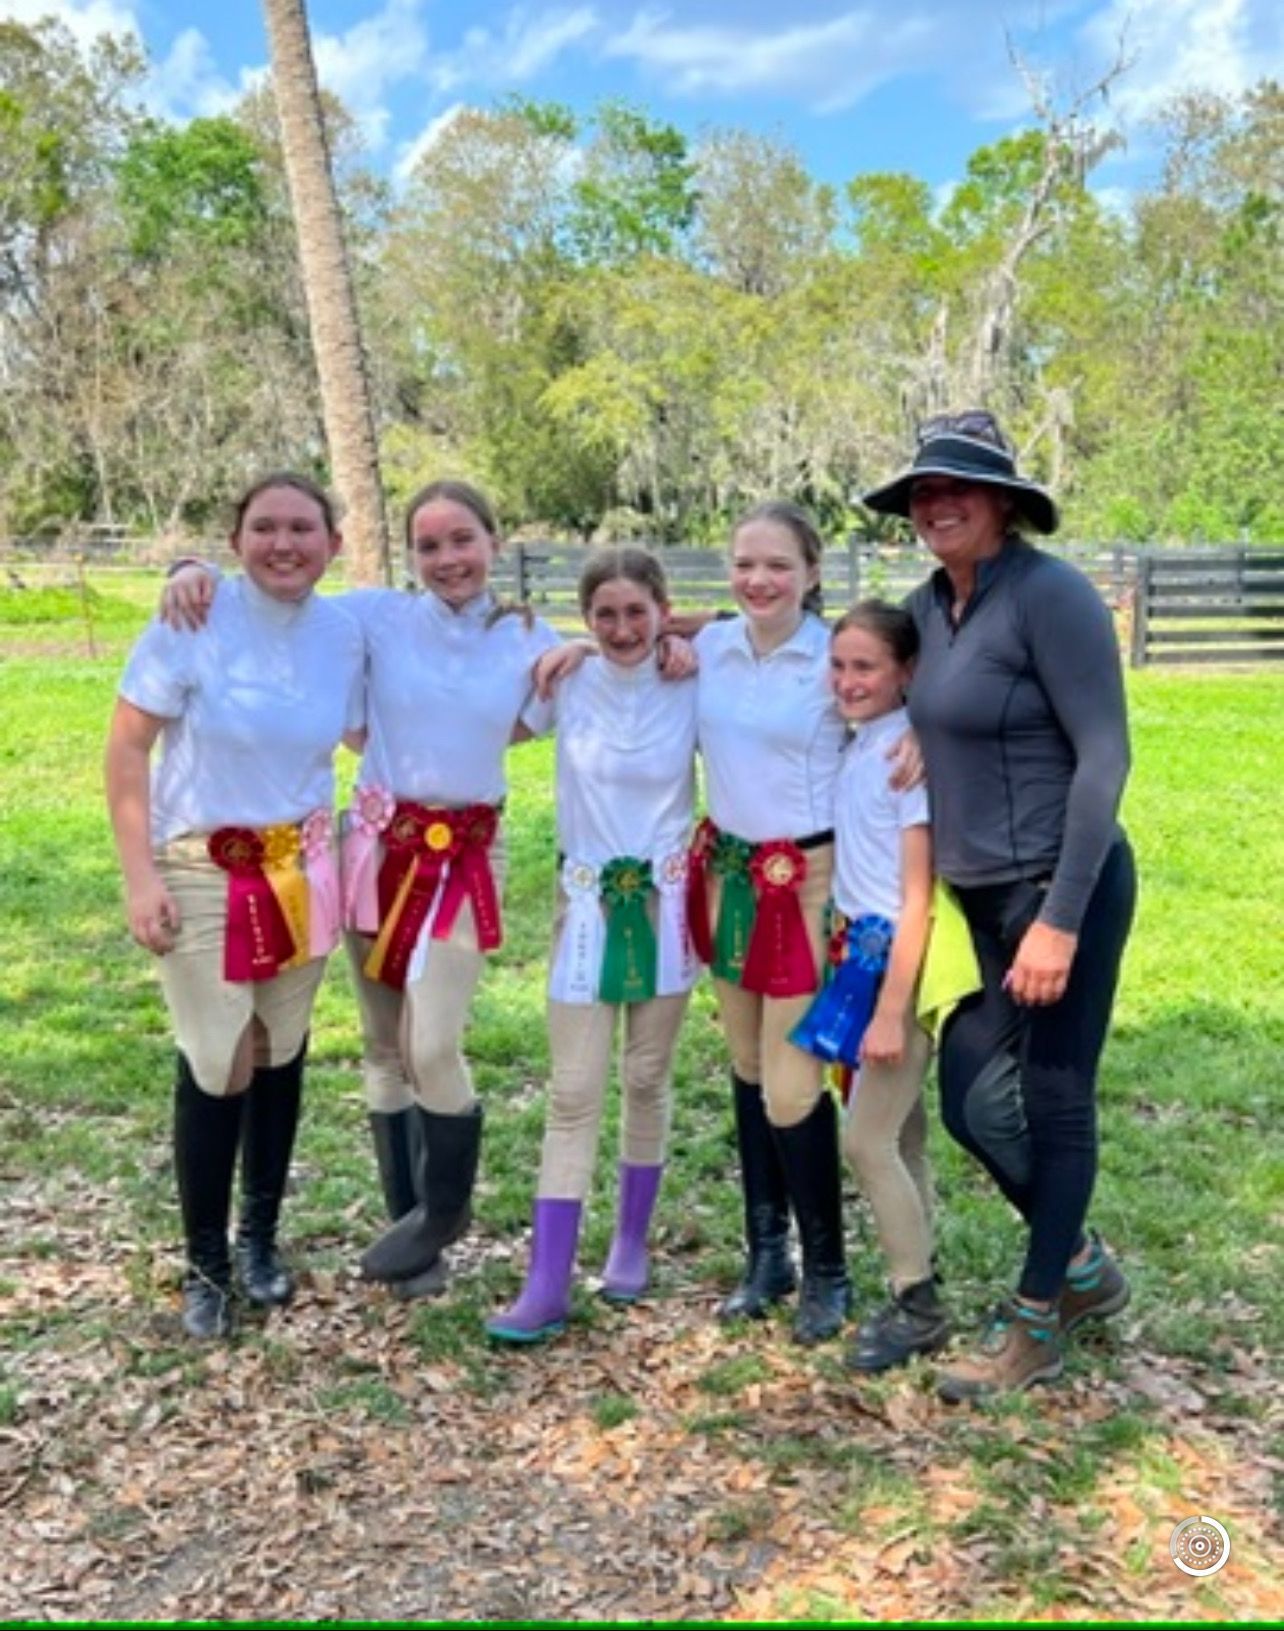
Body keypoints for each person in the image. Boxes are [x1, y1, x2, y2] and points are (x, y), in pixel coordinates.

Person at [161, 480, 560, 1300]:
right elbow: (278, 582)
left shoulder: (530, 637)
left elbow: (552, 702)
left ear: (494, 540)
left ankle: (443, 1213)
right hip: (375, 846)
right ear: (410, 557)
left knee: (433, 1043)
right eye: (429, 545)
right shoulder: (374, 616)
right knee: (383, 1045)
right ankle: (409, 1236)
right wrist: (188, 563)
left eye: (463, 540)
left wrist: (664, 640)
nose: (447, 558)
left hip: (463, 857)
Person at [861, 409, 1135, 1400]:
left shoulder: (1052, 596)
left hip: (1062, 883)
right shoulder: (929, 605)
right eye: (924, 491)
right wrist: (668, 639)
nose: (937, 503)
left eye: (958, 488)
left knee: (1056, 1099)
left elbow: (1105, 754)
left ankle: (1035, 1324)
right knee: (974, 1104)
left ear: (1006, 504)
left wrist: (1060, 916)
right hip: (976, 895)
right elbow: (873, 665)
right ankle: (1081, 1266)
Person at [106, 473, 364, 1340]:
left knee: (277, 1048)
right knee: (218, 1057)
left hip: (301, 869)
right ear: (236, 537)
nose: (283, 543)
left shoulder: (347, 629)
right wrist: (140, 876)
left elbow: (447, 630)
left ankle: (259, 1239)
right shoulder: (189, 620)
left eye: (301, 527)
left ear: (333, 539)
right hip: (200, 868)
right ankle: (204, 1264)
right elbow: (127, 748)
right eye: (263, 527)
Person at [486, 548, 698, 1342]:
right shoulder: (565, 680)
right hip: (586, 907)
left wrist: (685, 636)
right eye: (603, 614)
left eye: (637, 612)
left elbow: (761, 630)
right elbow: (489, 713)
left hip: (666, 901)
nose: (620, 629)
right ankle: (546, 1281)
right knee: (574, 1091)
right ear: (585, 617)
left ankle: (631, 1241)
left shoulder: (691, 680)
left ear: (662, 610)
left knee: (647, 1075)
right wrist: (555, 651)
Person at [688, 502, 852, 1345]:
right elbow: (640, 627)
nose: (759, 580)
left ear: (812, 572)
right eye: (745, 563)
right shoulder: (711, 646)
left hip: (808, 879)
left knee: (794, 1084)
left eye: (778, 565)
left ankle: (829, 1268)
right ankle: (767, 1255)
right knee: (748, 1066)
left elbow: (900, 710)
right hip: (730, 875)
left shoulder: (834, 656)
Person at [790, 599, 948, 1371]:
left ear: (907, 673)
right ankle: (924, 1268)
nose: (848, 680)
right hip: (856, 952)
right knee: (905, 1132)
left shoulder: (903, 761)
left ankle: (916, 1298)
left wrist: (891, 1009)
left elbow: (918, 896)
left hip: (896, 965)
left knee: (866, 1137)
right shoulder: (863, 743)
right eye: (839, 664)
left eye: (867, 667)